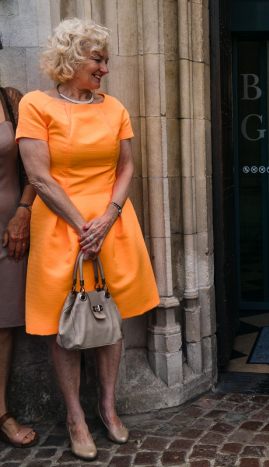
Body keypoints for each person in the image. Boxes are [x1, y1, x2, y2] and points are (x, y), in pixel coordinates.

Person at [16, 18, 160, 460]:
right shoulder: (36, 106)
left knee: (109, 313)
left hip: (111, 223)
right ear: (72, 58)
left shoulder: (113, 107)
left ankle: (108, 406)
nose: (105, 69)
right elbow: (39, 177)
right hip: (63, 226)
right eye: (98, 60)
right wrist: (83, 225)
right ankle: (75, 416)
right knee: (66, 322)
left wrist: (109, 216)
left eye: (106, 60)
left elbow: (127, 169)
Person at [0, 85, 39, 449]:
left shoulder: (11, 99)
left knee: (3, 326)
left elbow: (34, 170)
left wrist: (23, 213)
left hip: (7, 231)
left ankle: (1, 412)